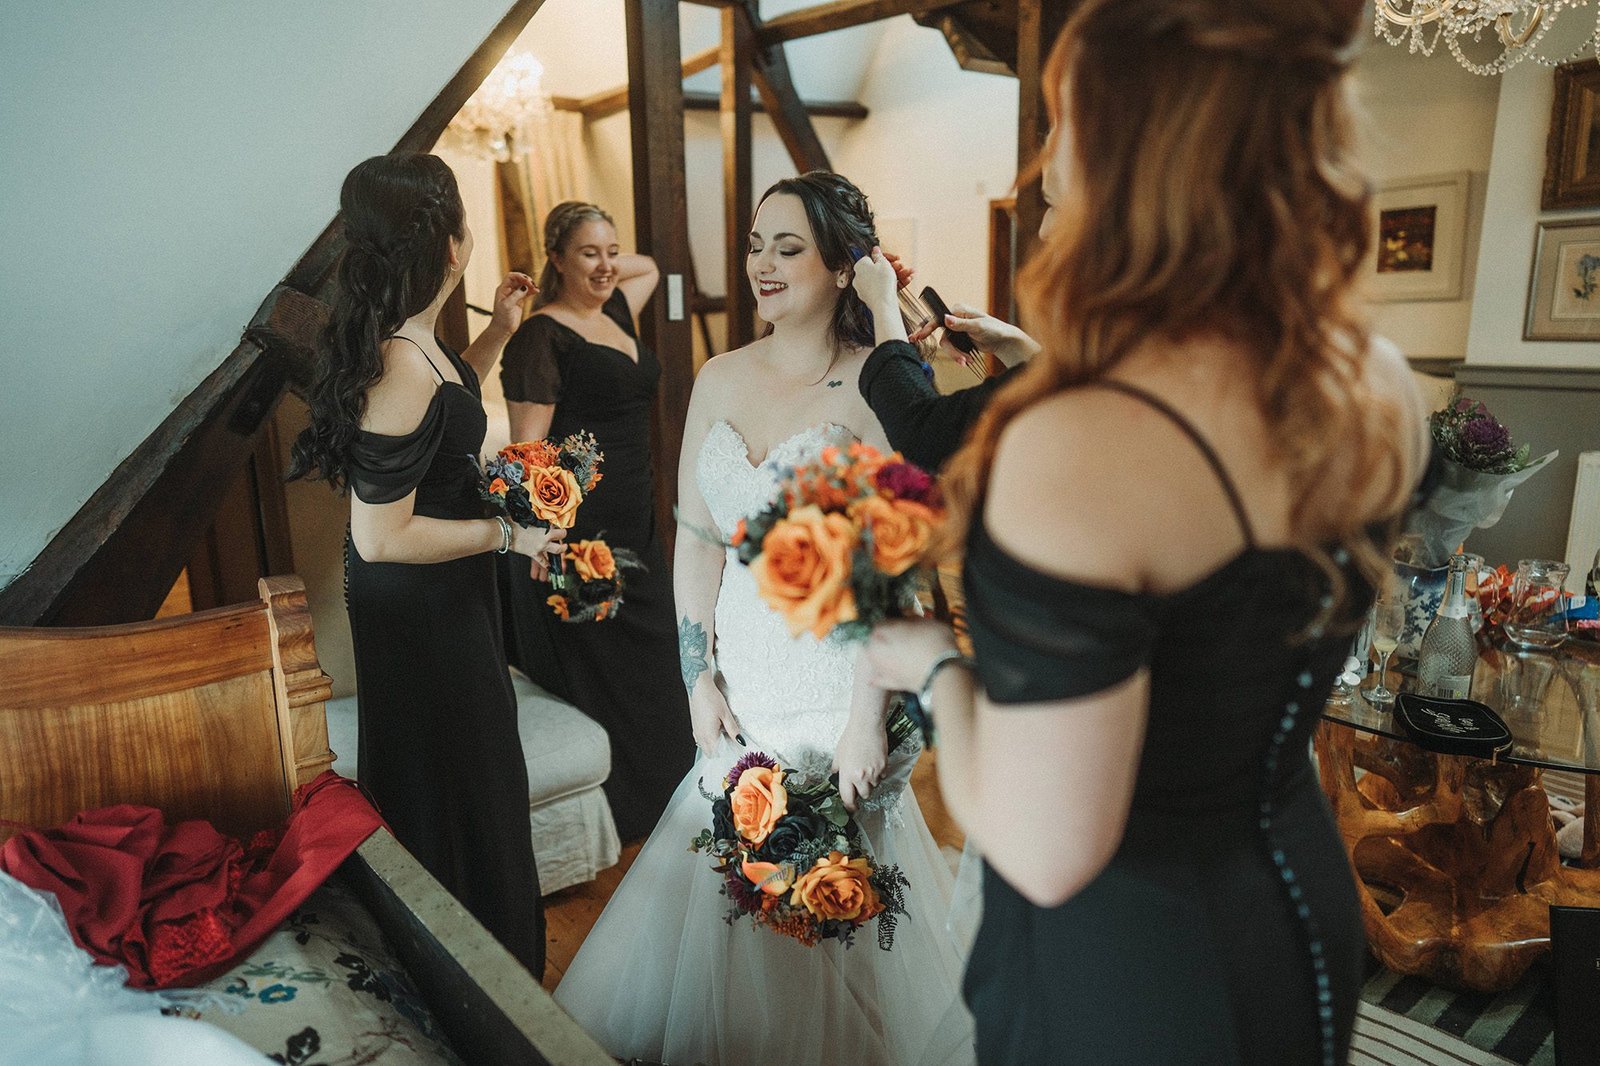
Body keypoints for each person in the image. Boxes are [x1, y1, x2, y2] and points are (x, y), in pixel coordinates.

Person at [860, 2, 1431, 1063]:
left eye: (1061, 120)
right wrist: (1036, 355)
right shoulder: (1375, 388)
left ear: (1135, 145)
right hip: (1296, 910)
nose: (1040, 167)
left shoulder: (1077, 448)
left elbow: (1043, 846)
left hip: (1131, 973)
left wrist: (935, 663)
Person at [552, 172, 973, 1066]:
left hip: (839, 679)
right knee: (735, 886)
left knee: (837, 908)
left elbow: (892, 568)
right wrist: (695, 676)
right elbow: (699, 538)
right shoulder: (719, 374)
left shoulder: (882, 386)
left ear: (845, 265)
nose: (761, 266)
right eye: (754, 245)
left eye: (787, 248)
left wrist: (866, 718)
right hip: (743, 677)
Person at [286, 153, 564, 978]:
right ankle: (474, 980)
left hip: (444, 604)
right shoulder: (403, 362)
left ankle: (490, 969)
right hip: (422, 614)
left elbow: (441, 418)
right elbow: (380, 537)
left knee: (477, 782)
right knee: (462, 785)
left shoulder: (419, 349)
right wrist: (505, 538)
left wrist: (499, 332)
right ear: (450, 246)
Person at [498, 202, 695, 841]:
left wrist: (598, 249)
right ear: (555, 258)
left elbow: (647, 267)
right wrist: (536, 536)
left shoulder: (612, 311)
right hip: (580, 534)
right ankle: (631, 814)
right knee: (613, 668)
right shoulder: (541, 336)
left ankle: (672, 796)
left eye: (612, 250)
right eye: (588, 253)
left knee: (659, 661)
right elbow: (528, 449)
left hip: (637, 519)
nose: (609, 265)